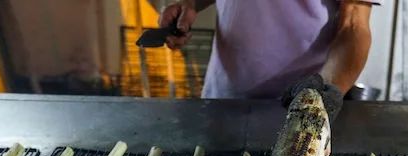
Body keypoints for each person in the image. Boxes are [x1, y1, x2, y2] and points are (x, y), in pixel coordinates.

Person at [156, 0, 380, 122]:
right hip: (224, 97)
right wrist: (191, 4)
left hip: (299, 107)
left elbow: (354, 24)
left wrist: (326, 89)